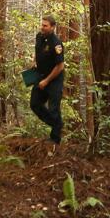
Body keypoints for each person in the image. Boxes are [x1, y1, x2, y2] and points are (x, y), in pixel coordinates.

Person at [30, 14, 65, 148]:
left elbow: (60, 66)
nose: (42, 27)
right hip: (41, 75)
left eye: (45, 25)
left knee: (53, 108)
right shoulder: (39, 36)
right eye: (42, 24)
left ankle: (55, 139)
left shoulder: (56, 44)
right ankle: (57, 124)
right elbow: (37, 52)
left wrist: (47, 81)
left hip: (54, 79)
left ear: (52, 27)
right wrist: (34, 62)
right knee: (34, 104)